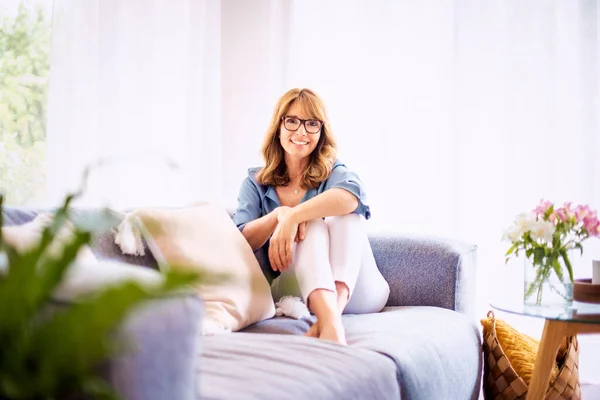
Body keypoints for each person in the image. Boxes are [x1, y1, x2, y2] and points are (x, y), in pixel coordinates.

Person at [233, 88, 389, 345]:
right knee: (313, 225)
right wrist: (278, 216)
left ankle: (330, 319)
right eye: (292, 121)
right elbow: (243, 240)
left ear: (321, 132)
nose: (302, 132)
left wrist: (293, 217)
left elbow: (351, 198)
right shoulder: (256, 182)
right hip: (297, 290)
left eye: (312, 124)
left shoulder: (334, 171)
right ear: (278, 126)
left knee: (344, 216)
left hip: (358, 292)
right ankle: (330, 323)